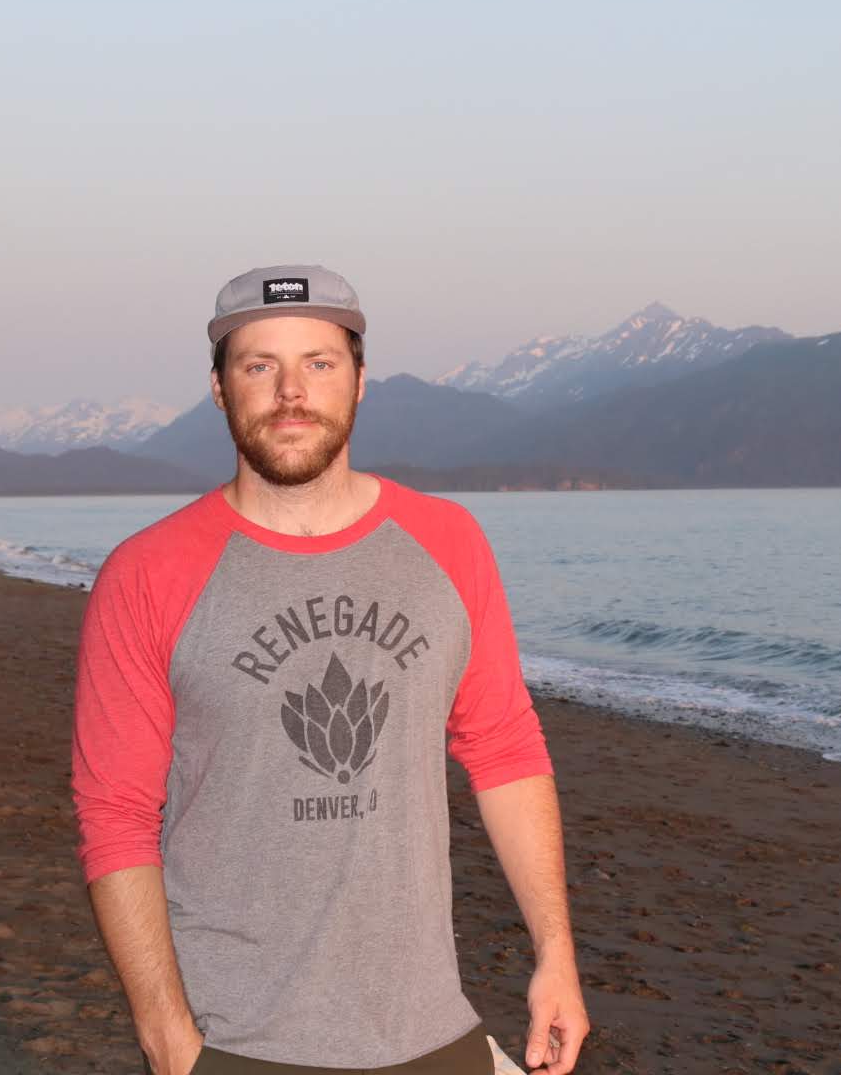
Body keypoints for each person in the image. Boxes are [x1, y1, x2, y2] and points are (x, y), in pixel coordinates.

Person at [72, 265, 588, 1075]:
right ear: (219, 388)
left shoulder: (448, 543)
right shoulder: (147, 574)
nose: (291, 392)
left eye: (318, 362)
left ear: (359, 379)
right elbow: (115, 814)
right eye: (259, 365)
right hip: (237, 1041)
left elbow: (505, 750)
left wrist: (556, 954)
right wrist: (167, 1038)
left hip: (430, 1028)